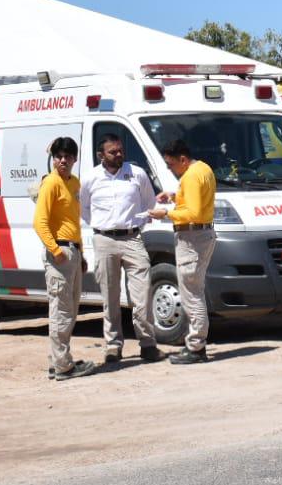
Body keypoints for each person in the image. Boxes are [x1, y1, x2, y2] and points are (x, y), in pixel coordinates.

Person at [80, 133, 160, 364]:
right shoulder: (90, 178)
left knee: (142, 295)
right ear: (100, 155)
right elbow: (84, 208)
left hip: (133, 239)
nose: (118, 155)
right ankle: (113, 346)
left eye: (120, 151)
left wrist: (137, 224)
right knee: (110, 296)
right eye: (112, 152)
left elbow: (149, 203)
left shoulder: (136, 174)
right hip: (104, 240)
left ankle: (148, 344)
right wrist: (102, 227)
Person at [148, 139, 216, 364]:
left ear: (183, 160)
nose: (170, 168)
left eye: (171, 164)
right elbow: (196, 200)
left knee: (191, 292)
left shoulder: (191, 175)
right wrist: (175, 197)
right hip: (201, 235)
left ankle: (196, 347)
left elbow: (194, 212)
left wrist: (166, 213)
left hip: (192, 237)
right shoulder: (203, 169)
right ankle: (197, 344)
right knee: (194, 289)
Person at [33, 137, 95, 381]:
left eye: (68, 156)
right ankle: (63, 366)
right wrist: (56, 251)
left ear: (74, 159)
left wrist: (80, 253)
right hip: (59, 252)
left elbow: (73, 222)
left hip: (72, 251)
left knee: (69, 310)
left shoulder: (74, 183)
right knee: (61, 310)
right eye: (59, 156)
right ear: (53, 158)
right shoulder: (51, 183)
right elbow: (40, 222)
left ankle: (57, 360)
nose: (63, 160)